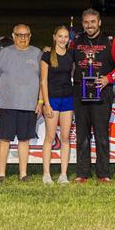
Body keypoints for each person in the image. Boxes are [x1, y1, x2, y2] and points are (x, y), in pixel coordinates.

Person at [71, 8, 115, 183]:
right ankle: (82, 173)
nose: (89, 25)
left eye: (93, 22)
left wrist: (108, 78)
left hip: (102, 92)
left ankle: (103, 173)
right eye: (86, 22)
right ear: (82, 24)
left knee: (101, 133)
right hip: (80, 91)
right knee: (81, 134)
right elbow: (64, 59)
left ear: (99, 22)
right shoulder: (75, 41)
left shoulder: (111, 41)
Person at [0, 24, 43, 184]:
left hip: (28, 105)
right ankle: (1, 174)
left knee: (24, 140)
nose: (23, 38)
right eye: (20, 35)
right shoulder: (4, 54)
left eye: (26, 35)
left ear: (30, 36)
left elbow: (42, 81)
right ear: (13, 36)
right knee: (4, 139)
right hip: (6, 105)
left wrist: (40, 101)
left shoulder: (37, 54)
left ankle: (23, 174)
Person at [40, 25, 74, 185]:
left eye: (66, 37)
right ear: (54, 37)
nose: (63, 39)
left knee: (65, 138)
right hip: (52, 100)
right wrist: (46, 103)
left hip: (68, 99)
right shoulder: (47, 55)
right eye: (60, 36)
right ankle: (46, 174)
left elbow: (72, 75)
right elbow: (43, 81)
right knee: (50, 137)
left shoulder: (71, 55)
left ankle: (63, 175)